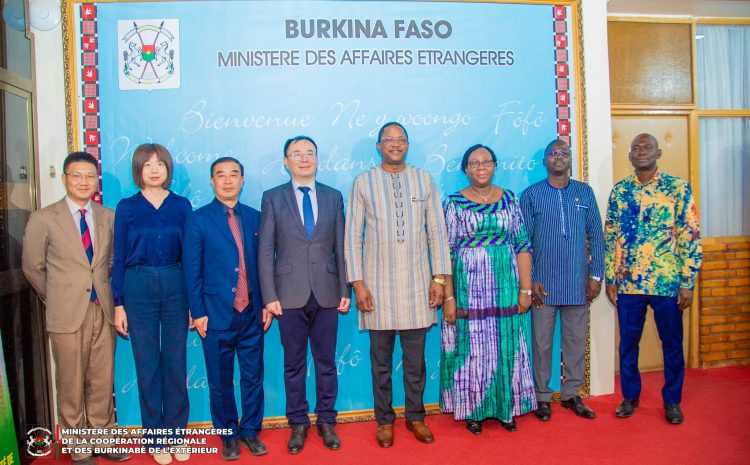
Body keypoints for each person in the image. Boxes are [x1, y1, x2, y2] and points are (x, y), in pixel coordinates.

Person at [345, 122, 451, 448]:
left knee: (416, 363)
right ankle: (384, 420)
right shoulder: (364, 181)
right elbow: (352, 236)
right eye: (388, 140)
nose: (395, 144)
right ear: (378, 146)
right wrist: (358, 285)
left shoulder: (423, 179)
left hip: (419, 287)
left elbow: (437, 233)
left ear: (407, 144)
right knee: (380, 363)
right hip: (377, 290)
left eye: (400, 139)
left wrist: (439, 280)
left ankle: (416, 417)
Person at [22, 152, 129, 465]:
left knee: (101, 379)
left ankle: (104, 439)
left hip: (103, 309)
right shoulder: (43, 218)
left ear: (97, 181)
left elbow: (111, 263)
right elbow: (33, 267)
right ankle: (78, 446)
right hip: (66, 313)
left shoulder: (108, 217)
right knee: (70, 383)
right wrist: (55, 297)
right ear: (65, 178)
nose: (83, 181)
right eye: (76, 175)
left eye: (89, 176)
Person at [258, 136, 350, 454]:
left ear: (317, 159)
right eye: (297, 154)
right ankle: (297, 422)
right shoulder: (272, 198)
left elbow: (342, 246)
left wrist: (345, 288)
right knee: (293, 364)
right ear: (286, 161)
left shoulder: (333, 196)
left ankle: (327, 421)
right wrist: (268, 295)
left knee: (326, 362)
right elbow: (266, 249)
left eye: (309, 153)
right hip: (288, 295)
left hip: (326, 293)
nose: (304, 158)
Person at [605, 133, 702, 425]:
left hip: (668, 283)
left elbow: (691, 236)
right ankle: (630, 396)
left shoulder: (677, 188)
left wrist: (687, 282)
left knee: (672, 344)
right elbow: (611, 237)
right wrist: (611, 276)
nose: (641, 151)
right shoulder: (620, 191)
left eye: (647, 147)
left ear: (658, 153)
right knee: (628, 343)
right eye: (636, 147)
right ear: (630, 156)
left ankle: (672, 400)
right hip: (629, 282)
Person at [440, 144, 536, 435]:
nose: (481, 167)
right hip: (468, 288)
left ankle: (506, 408)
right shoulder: (454, 203)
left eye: (486, 161)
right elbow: (446, 253)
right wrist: (449, 297)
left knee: (506, 346)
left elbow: (521, 245)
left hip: (505, 286)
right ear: (466, 169)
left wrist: (526, 290)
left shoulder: (509, 199)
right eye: (474, 162)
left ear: (495, 165)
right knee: (472, 351)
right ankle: (473, 410)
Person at [183, 157, 272, 460]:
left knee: (253, 376)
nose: (228, 180)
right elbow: (192, 270)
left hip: (252, 312)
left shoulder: (256, 217)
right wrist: (198, 312)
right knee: (220, 381)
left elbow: (264, 265)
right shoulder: (199, 219)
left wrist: (265, 304)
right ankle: (228, 435)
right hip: (215, 313)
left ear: (242, 180)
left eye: (234, 174)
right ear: (212, 182)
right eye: (221, 175)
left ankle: (250, 431)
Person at [111, 144, 193, 464]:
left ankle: (177, 433)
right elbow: (118, 258)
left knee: (175, 362)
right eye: (147, 165)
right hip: (138, 286)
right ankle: (156, 437)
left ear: (168, 169)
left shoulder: (182, 206)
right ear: (138, 170)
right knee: (147, 364)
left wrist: (192, 303)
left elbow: (190, 257)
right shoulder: (127, 207)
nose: (155, 169)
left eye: (160, 164)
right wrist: (119, 303)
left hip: (175, 284)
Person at [520, 139, 604, 422]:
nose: (558, 157)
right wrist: (531, 280)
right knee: (542, 344)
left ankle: (571, 394)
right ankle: (542, 396)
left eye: (563, 153)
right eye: (552, 153)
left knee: (575, 340)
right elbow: (523, 243)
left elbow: (597, 235)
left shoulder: (584, 192)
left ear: (570, 159)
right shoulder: (531, 195)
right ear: (544, 161)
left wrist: (595, 275)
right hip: (544, 285)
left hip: (578, 283)